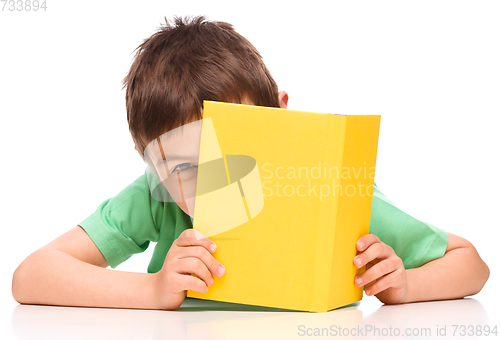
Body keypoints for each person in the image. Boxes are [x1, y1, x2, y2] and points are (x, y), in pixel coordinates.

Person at [12, 16, 489, 311]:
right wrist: (152, 290)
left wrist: (405, 285)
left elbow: (471, 264)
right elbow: (31, 275)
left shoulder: (327, 189)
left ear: (282, 114)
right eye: (184, 168)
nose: (217, 179)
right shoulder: (157, 197)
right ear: (154, 166)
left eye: (237, 149)